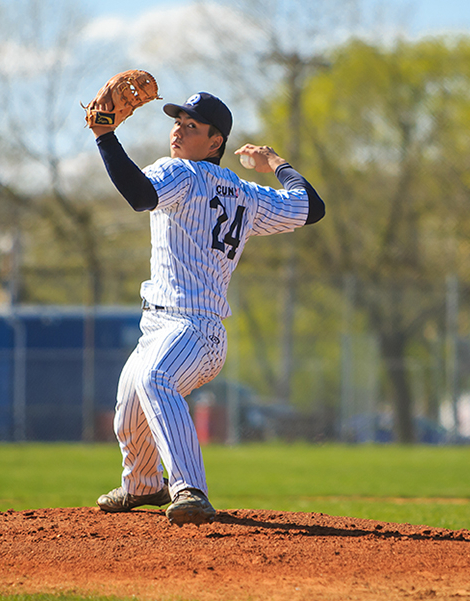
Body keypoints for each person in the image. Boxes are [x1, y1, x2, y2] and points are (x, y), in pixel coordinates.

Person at [89, 91, 325, 526]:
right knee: (129, 407)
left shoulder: (179, 173)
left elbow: (141, 196)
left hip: (190, 326)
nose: (178, 129)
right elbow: (311, 207)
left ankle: (189, 489)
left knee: (156, 378)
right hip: (175, 329)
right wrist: (276, 164)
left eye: (191, 126)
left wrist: (106, 137)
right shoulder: (247, 195)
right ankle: (143, 485)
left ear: (216, 143)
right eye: (177, 121)